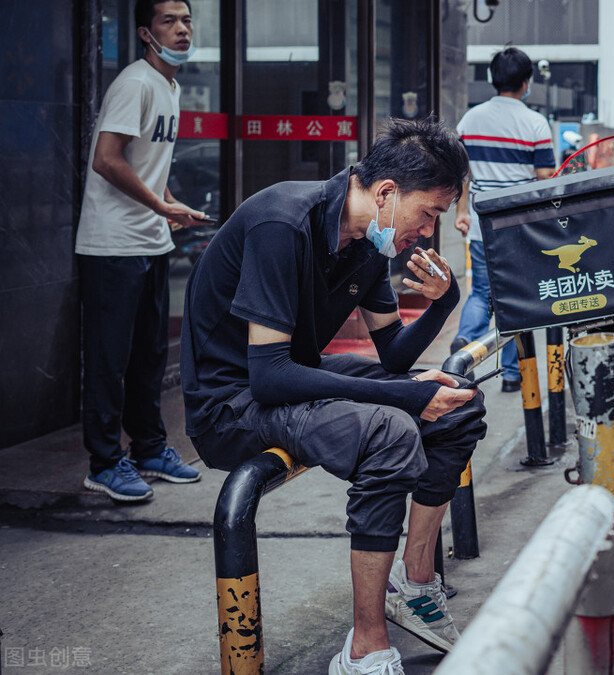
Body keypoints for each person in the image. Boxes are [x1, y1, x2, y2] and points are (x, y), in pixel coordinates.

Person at [180, 117, 485, 674]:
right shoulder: (281, 224)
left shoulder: (368, 244)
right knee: (391, 430)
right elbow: (269, 375)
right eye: (429, 214)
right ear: (388, 193)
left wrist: (445, 301)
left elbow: (391, 355)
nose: (428, 230)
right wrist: (400, 400)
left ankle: (412, 585)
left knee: (458, 399)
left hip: (288, 378)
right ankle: (365, 646)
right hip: (230, 404)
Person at [76, 0, 206, 502]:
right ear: (145, 32)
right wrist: (159, 204)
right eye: (168, 21)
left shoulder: (168, 87)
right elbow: (106, 160)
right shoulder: (134, 83)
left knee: (149, 356)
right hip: (112, 244)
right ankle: (105, 463)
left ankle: (150, 449)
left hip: (150, 240)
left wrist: (172, 206)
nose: (180, 29)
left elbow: (147, 168)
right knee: (110, 358)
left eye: (186, 20)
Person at [453, 47, 556, 392]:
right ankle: (513, 375)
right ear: (526, 84)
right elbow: (545, 178)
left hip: (484, 224)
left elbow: (461, 171)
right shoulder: (535, 123)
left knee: (482, 293)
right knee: (516, 298)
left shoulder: (470, 119)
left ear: (491, 79)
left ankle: (466, 341)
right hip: (520, 228)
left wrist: (462, 211)